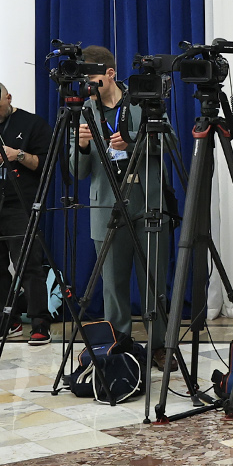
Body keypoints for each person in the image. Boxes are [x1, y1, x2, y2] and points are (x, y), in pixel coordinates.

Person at [73, 47, 170, 353]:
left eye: (93, 78)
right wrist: (81, 146)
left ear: (110, 73)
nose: (88, 85)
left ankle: (159, 348)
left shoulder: (142, 99)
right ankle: (119, 349)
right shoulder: (84, 111)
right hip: (106, 208)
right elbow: (77, 171)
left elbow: (169, 142)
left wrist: (132, 143)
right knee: (113, 288)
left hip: (148, 203)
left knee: (153, 285)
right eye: (84, 80)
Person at [0, 82, 54, 346]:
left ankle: (40, 322)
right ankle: (6, 321)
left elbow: (46, 164)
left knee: (28, 266)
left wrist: (16, 155)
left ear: (9, 97)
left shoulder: (33, 124)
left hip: (19, 203)